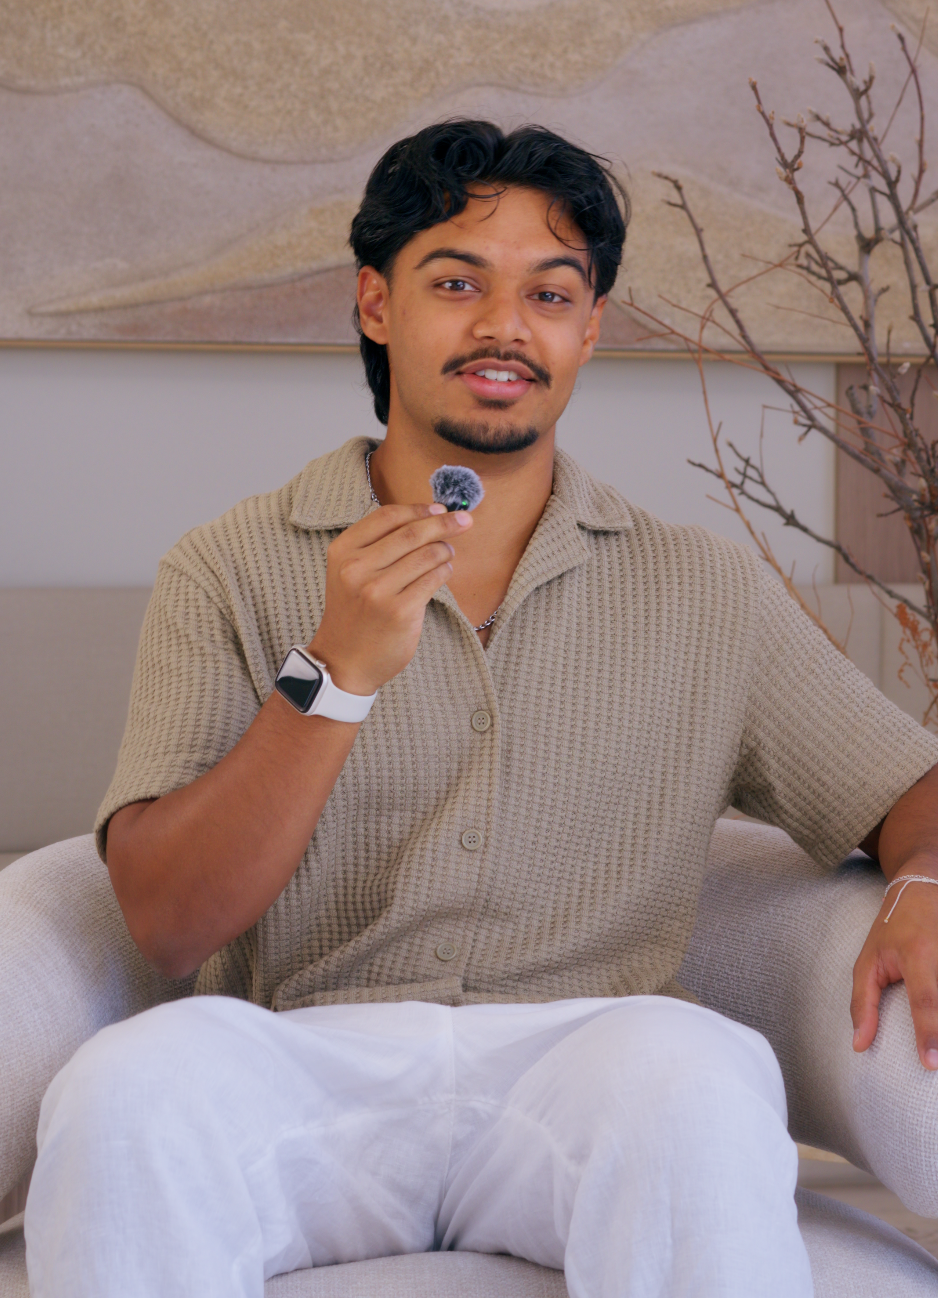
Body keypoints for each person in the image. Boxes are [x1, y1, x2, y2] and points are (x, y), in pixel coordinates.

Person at [25, 120, 938, 1298]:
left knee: (696, 1072)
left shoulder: (700, 586)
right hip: (302, 1058)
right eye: (457, 282)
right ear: (374, 303)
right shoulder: (232, 564)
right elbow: (164, 919)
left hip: (589, 1060)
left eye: (549, 294)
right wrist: (332, 672)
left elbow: (908, 793)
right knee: (122, 1088)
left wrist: (919, 885)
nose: (505, 325)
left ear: (588, 329)